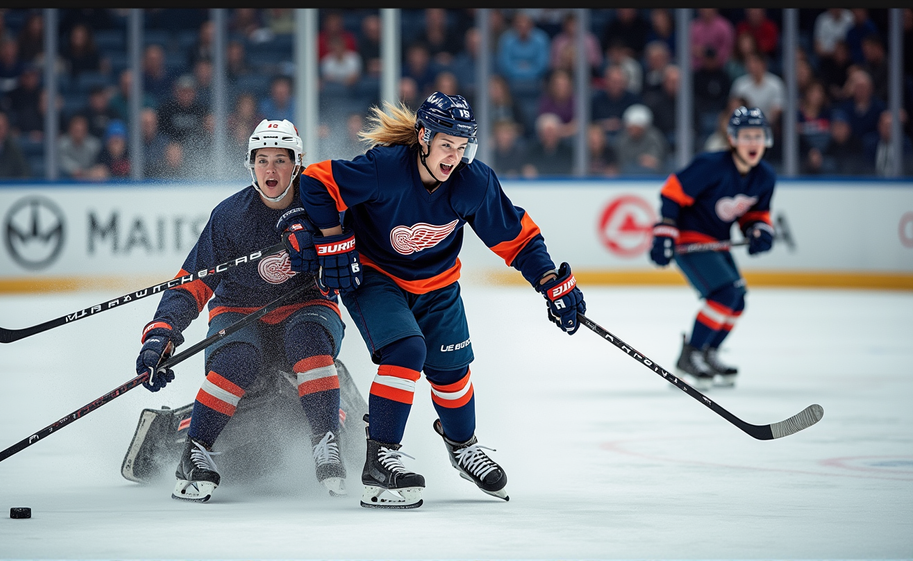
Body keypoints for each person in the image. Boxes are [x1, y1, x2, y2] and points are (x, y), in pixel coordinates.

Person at [295, 91, 585, 509]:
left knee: (452, 370)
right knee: (406, 350)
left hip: (439, 285)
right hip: (376, 277)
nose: (454, 156)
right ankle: (380, 458)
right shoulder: (384, 168)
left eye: (462, 146)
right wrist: (331, 238)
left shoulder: (472, 182)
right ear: (424, 138)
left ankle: (463, 446)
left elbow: (516, 237)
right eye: (447, 144)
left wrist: (549, 280)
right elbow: (316, 182)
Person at [134, 118, 349, 502]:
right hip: (239, 310)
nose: (271, 169)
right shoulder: (230, 215)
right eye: (262, 160)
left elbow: (351, 258)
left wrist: (324, 253)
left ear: (297, 163)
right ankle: (195, 451)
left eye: (280, 160)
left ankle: (325, 441)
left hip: (306, 305)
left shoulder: (322, 204)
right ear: (251, 164)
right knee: (236, 361)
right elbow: (193, 282)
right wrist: (162, 332)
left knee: (308, 340)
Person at [648, 106, 777, 390]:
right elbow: (672, 192)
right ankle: (691, 355)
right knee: (725, 294)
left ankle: (708, 352)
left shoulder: (765, 177)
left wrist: (758, 231)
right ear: (732, 139)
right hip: (689, 239)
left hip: (717, 242)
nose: (753, 143)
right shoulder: (711, 165)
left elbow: (755, 214)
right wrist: (665, 231)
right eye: (746, 136)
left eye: (757, 136)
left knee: (737, 300)